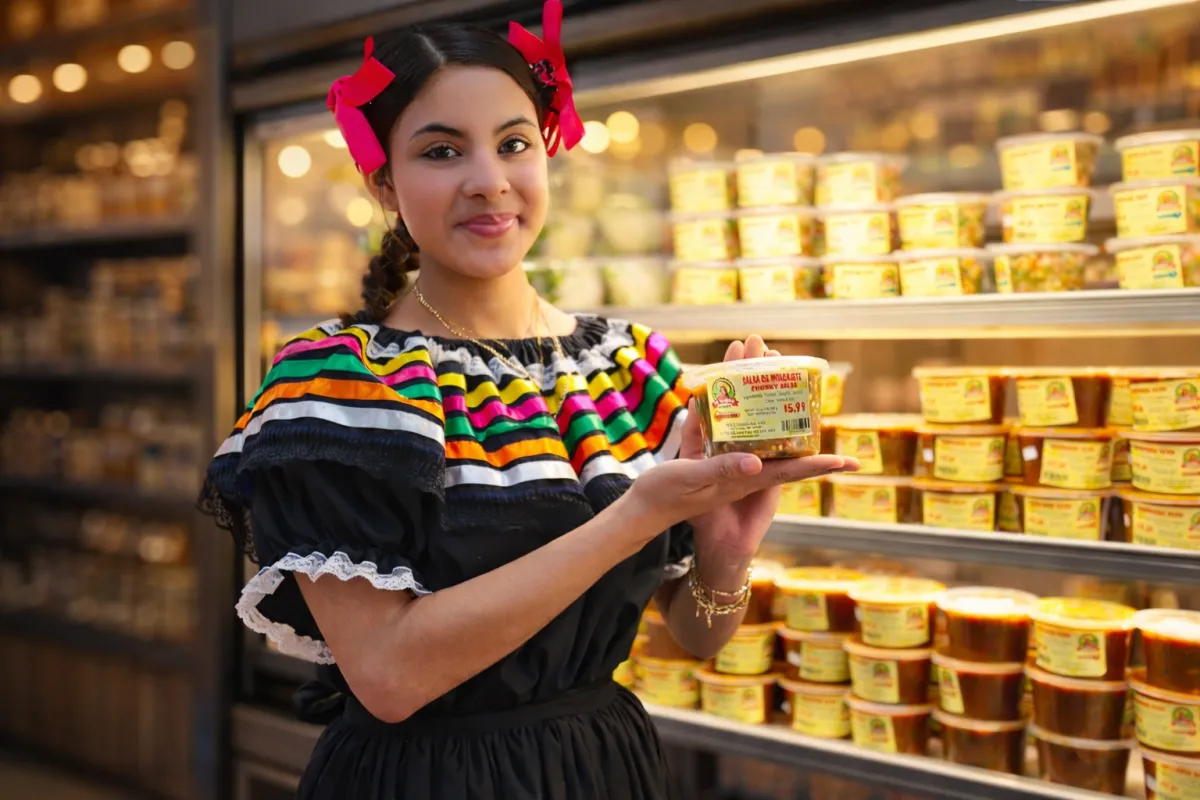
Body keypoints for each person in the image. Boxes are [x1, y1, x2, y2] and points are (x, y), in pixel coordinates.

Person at [200, 3, 857, 798]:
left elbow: (694, 637)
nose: (489, 181)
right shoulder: (340, 387)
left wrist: (727, 545)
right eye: (442, 151)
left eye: (514, 143)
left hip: (604, 769)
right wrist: (635, 517)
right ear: (384, 181)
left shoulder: (629, 365)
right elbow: (388, 676)